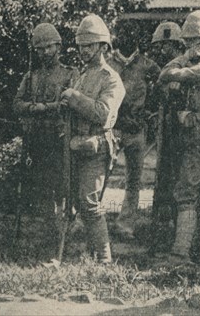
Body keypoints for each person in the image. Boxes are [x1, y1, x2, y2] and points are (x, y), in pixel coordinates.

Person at [156, 10, 200, 265]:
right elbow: (165, 77)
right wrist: (183, 58)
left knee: (186, 192)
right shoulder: (194, 62)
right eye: (186, 42)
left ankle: (180, 254)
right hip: (196, 135)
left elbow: (169, 75)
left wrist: (181, 61)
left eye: (194, 41)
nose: (188, 46)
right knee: (198, 193)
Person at [60, 14, 125, 263]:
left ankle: (105, 259)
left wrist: (74, 98)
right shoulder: (82, 75)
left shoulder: (111, 79)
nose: (83, 51)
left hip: (96, 146)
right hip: (75, 145)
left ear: (103, 46)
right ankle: (89, 253)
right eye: (81, 46)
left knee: (89, 202)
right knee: (74, 201)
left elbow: (104, 113)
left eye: (89, 45)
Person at [13, 22, 79, 218]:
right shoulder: (31, 76)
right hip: (36, 140)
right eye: (40, 49)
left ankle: (63, 223)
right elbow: (16, 104)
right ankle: (43, 226)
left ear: (58, 47)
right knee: (38, 186)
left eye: (49, 47)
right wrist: (33, 108)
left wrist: (45, 108)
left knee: (62, 186)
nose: (45, 52)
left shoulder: (70, 74)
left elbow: (69, 103)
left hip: (59, 139)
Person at [109, 42, 160, 239]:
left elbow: (161, 85)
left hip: (136, 129)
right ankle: (87, 220)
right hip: (113, 129)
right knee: (99, 174)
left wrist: (149, 112)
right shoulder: (109, 64)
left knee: (134, 180)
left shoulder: (147, 65)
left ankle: (125, 225)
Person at [148, 21, 186, 250]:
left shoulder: (183, 67)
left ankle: (179, 236)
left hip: (181, 134)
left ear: (177, 44)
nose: (163, 51)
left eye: (167, 46)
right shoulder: (164, 70)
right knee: (164, 182)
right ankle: (161, 235)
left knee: (178, 184)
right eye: (161, 47)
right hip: (166, 132)